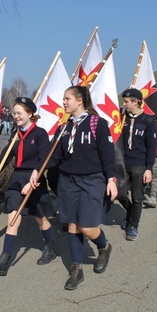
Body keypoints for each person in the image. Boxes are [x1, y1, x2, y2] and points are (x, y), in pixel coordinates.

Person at [46, 85, 117, 291]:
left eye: (67, 98)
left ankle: (104, 247)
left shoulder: (98, 124)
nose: (64, 102)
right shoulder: (64, 128)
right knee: (72, 224)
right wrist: (35, 170)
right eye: (63, 98)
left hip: (92, 180)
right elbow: (55, 156)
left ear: (80, 100)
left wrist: (111, 179)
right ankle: (76, 269)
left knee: (86, 226)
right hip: (68, 181)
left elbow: (107, 154)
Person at [0, 97, 56, 276]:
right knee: (12, 219)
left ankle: (50, 247)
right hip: (17, 179)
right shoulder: (16, 134)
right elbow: (5, 157)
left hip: (34, 179)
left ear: (30, 114)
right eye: (14, 113)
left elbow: (44, 158)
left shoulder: (40, 134)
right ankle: (5, 259)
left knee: (41, 219)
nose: (15, 116)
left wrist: (36, 173)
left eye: (19, 113)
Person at [121, 88, 156, 238]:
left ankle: (133, 225)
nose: (124, 104)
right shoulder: (122, 119)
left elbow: (151, 147)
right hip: (123, 163)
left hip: (139, 164)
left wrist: (149, 168)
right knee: (119, 193)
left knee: (137, 197)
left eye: (127, 101)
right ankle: (130, 213)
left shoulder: (148, 120)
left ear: (136, 102)